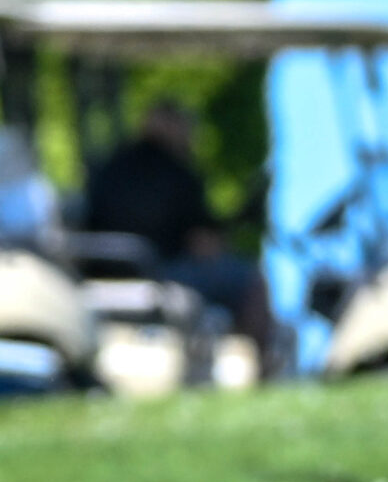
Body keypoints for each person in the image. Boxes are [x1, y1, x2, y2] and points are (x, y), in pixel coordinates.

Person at [83, 99, 276, 353]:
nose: (190, 133)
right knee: (250, 281)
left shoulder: (109, 166)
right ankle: (258, 362)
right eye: (185, 125)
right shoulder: (178, 173)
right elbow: (204, 246)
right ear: (169, 125)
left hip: (101, 270)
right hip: (161, 273)